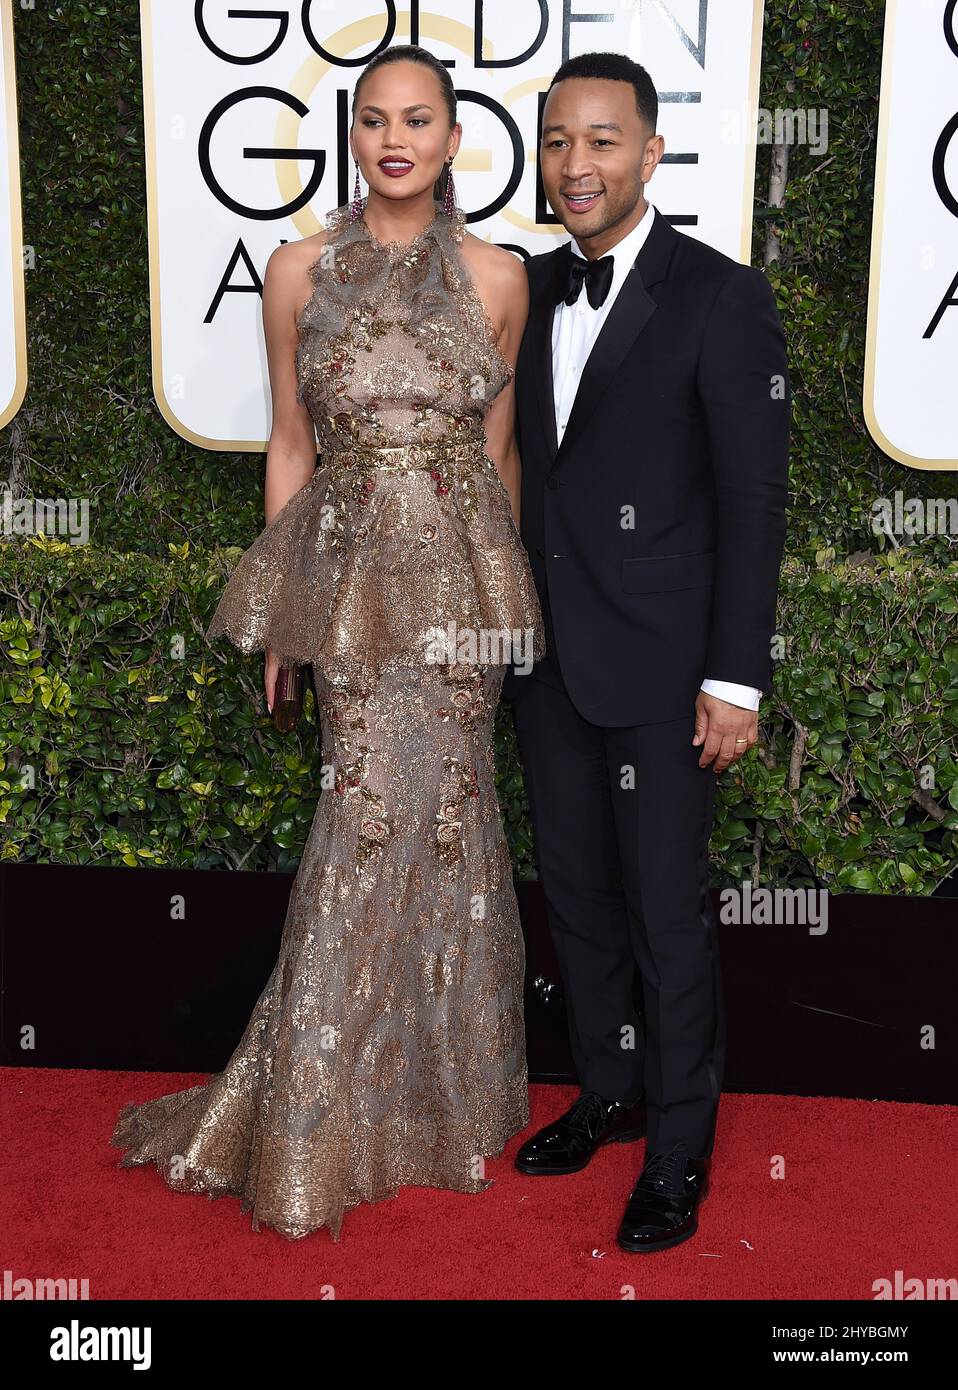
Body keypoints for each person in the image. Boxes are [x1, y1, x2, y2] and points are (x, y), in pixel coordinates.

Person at [111, 43, 544, 1242]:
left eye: (418, 119)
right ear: (352, 136)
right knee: (362, 822)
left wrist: (502, 606)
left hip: (461, 601)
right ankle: (315, 1105)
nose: (395, 139)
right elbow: (291, 446)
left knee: (452, 826)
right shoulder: (296, 269)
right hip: (351, 591)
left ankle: (442, 1097)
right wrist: (287, 616)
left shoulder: (501, 278)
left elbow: (498, 455)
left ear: (454, 138)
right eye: (374, 119)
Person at [504, 51, 790, 1253]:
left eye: (602, 140)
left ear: (652, 152)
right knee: (576, 898)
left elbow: (753, 504)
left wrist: (734, 678)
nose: (576, 165)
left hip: (670, 672)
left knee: (667, 913)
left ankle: (678, 1148)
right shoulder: (522, 288)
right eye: (557, 141)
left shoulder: (719, 296)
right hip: (546, 659)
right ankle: (609, 1090)